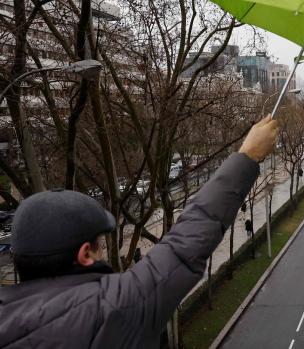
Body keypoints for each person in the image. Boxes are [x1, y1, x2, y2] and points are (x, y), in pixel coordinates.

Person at [0, 115, 278, 348]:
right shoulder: (111, 309)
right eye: (99, 245)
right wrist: (248, 156)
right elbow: (186, 243)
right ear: (85, 254)